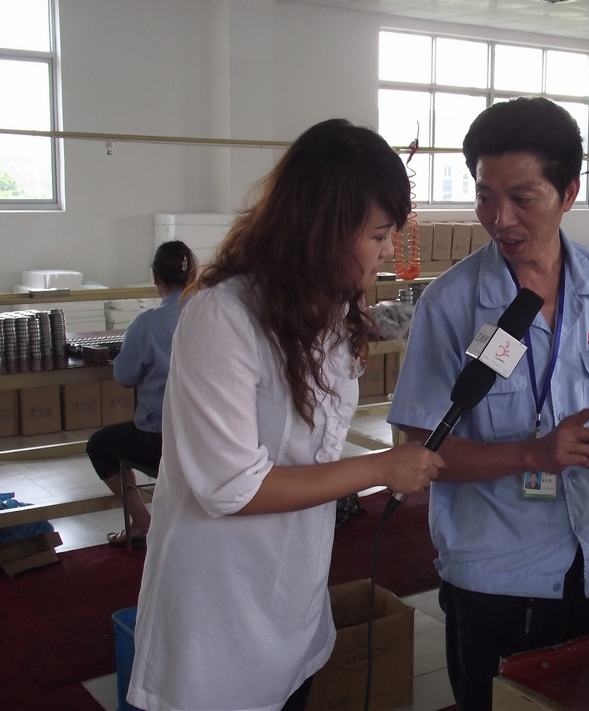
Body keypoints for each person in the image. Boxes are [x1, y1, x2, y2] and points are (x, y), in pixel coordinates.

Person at [387, 97, 589, 710]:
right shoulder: (451, 305)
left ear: (568, 193)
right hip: (499, 578)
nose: (499, 218)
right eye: (485, 197)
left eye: (522, 198)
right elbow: (416, 452)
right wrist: (531, 454)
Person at [127, 120, 444, 711]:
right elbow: (231, 486)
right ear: (321, 230)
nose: (385, 253)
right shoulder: (223, 317)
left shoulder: (332, 313)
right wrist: (381, 467)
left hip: (292, 593)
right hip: (219, 602)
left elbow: (310, 454)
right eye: (377, 236)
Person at [85, 239, 196, 548]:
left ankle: (142, 520)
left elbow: (124, 377)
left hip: (159, 439)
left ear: (156, 278)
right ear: (194, 276)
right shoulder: (210, 316)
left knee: (100, 445)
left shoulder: (148, 324)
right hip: (205, 435)